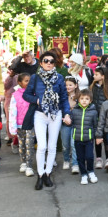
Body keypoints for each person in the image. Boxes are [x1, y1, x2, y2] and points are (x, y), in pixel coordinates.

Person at [23, 50, 72, 190]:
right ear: (41, 63)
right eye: (46, 61)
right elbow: (26, 95)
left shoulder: (59, 78)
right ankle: (40, 174)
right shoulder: (35, 78)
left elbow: (63, 98)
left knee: (52, 147)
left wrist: (66, 114)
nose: (49, 63)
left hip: (55, 114)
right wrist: (37, 100)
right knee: (42, 146)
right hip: (40, 114)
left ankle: (48, 174)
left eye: (51, 61)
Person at [8, 73, 35, 177]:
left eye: (30, 81)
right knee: (22, 144)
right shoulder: (15, 95)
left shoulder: (34, 93)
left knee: (29, 144)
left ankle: (29, 166)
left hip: (30, 124)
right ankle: (23, 161)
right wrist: (13, 128)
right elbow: (12, 112)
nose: (28, 83)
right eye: (26, 81)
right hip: (19, 124)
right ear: (20, 82)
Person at [71, 89, 99, 185]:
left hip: (89, 139)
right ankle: (83, 174)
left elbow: (95, 126)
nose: (84, 101)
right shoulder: (74, 111)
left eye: (86, 99)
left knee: (89, 156)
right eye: (82, 98)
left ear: (90, 101)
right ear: (78, 99)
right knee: (80, 158)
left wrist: (97, 136)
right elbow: (72, 123)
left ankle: (91, 172)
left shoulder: (93, 112)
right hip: (77, 139)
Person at [90, 66, 108, 170]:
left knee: (107, 139)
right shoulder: (93, 86)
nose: (94, 76)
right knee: (97, 138)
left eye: (96, 74)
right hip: (96, 117)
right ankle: (98, 158)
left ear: (103, 76)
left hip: (106, 117)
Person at [61, 77, 80, 174]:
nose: (68, 87)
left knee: (74, 144)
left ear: (75, 85)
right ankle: (66, 159)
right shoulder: (62, 96)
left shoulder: (79, 97)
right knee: (65, 144)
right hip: (65, 123)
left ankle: (75, 163)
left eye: (70, 85)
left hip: (76, 123)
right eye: (66, 85)